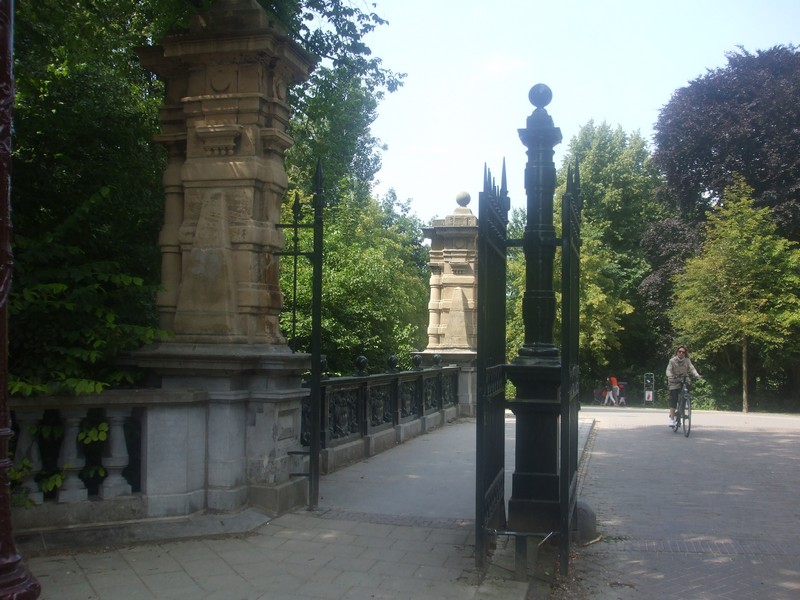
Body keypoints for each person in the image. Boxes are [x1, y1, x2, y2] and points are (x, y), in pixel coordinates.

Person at [666, 345, 701, 427]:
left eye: (683, 352)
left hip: (684, 380)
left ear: (685, 354)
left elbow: (692, 368)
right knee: (674, 398)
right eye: (680, 351)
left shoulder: (687, 360)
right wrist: (669, 375)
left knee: (686, 392)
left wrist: (696, 375)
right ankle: (672, 419)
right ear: (677, 352)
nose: (681, 353)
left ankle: (683, 406)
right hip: (674, 381)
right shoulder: (672, 361)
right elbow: (668, 369)